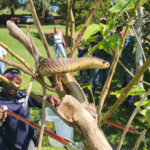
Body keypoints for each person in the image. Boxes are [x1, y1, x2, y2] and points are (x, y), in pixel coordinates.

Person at [0, 68, 60, 150]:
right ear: (3, 83)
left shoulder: (24, 96)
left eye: (16, 82)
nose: (13, 85)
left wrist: (48, 99)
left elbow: (38, 100)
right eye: (9, 81)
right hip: (5, 145)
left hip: (27, 144)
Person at [116, 25, 136, 107]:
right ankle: (124, 99)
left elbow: (139, 44)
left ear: (124, 31)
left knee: (130, 83)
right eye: (118, 30)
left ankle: (130, 102)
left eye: (121, 30)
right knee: (123, 83)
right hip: (120, 65)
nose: (119, 32)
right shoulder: (116, 40)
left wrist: (135, 56)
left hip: (129, 65)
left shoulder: (131, 39)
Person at [91, 18, 112, 93]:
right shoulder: (96, 33)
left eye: (104, 23)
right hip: (98, 56)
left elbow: (112, 44)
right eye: (101, 22)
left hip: (107, 56)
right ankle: (94, 88)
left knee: (106, 73)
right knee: (95, 73)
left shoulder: (109, 33)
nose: (103, 24)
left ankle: (104, 88)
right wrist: (92, 55)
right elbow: (92, 44)